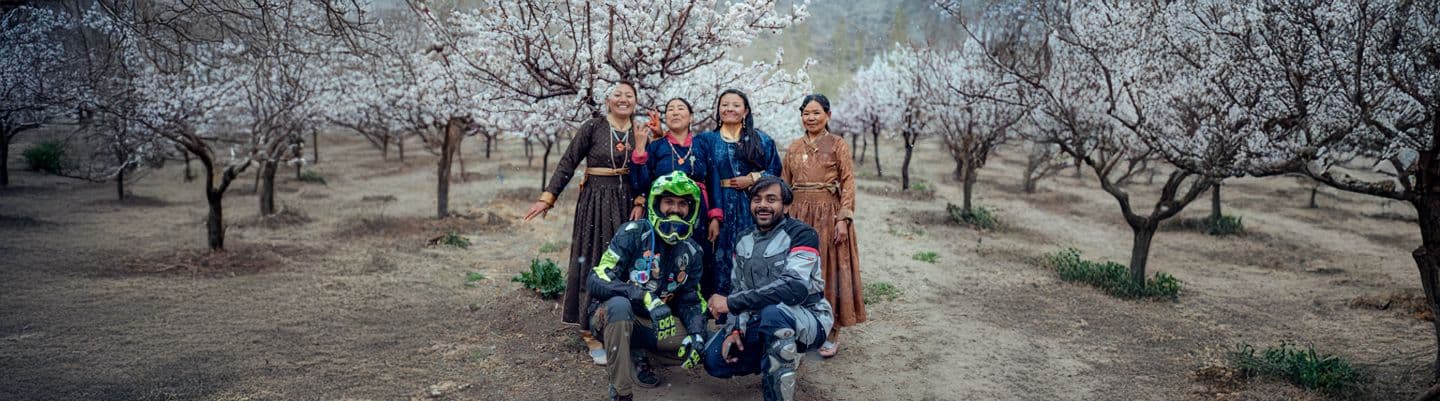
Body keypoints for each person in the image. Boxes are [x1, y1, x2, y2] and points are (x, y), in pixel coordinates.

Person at [524, 81, 642, 363]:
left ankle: (622, 327)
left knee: (626, 262)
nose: (623, 99)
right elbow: (569, 161)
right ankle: (590, 332)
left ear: (636, 102)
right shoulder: (593, 127)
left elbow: (647, 167)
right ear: (607, 101)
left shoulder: (641, 131)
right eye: (617, 95)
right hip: (596, 201)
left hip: (628, 202)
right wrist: (548, 196)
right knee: (592, 259)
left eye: (629, 95)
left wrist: (639, 200)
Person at [703, 177, 832, 401]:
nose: (763, 205)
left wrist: (731, 303)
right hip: (760, 317)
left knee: (774, 314)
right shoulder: (743, 238)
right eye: (757, 199)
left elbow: (794, 288)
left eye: (771, 199)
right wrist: (735, 330)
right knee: (714, 359)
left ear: (787, 205)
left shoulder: (802, 234)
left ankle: (782, 370)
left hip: (808, 317)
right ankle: (773, 354)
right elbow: (738, 289)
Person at [588, 172, 709, 401]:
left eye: (683, 203)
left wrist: (697, 334)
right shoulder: (633, 233)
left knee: (707, 344)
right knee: (619, 306)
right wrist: (644, 296)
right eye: (669, 202)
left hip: (654, 323)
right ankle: (621, 391)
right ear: (656, 203)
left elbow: (691, 299)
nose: (676, 209)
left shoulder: (693, 251)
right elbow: (596, 277)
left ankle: (638, 352)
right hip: (613, 317)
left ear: (691, 209)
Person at [780, 94, 865, 357]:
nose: (811, 117)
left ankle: (832, 330)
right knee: (797, 270)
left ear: (828, 115)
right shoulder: (793, 147)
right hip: (798, 211)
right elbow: (785, 182)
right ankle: (799, 327)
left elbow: (848, 181)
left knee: (828, 270)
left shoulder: (838, 144)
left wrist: (843, 218)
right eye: (806, 113)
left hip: (829, 213)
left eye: (816, 112)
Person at [696, 89, 783, 315]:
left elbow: (775, 171)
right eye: (725, 104)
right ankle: (714, 308)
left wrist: (753, 178)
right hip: (717, 204)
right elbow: (698, 173)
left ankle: (747, 306)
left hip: (750, 205)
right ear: (718, 109)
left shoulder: (761, 140)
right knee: (716, 255)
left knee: (750, 251)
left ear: (745, 111)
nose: (730, 109)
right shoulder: (707, 140)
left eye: (736, 105)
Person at [628, 98, 719, 295]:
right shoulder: (657, 146)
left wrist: (714, 216)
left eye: (681, 109)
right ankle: (660, 297)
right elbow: (642, 183)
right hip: (665, 210)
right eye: (670, 109)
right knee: (664, 252)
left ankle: (695, 301)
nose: (675, 113)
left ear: (691, 117)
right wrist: (641, 150)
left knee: (697, 252)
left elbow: (713, 179)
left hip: (697, 211)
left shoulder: (702, 145)